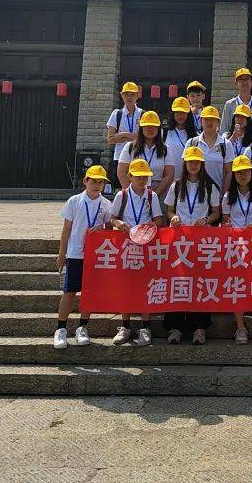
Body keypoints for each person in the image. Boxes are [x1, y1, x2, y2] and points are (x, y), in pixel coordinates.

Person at [163, 146, 220, 345]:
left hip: (200, 242)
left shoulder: (210, 186)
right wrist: (173, 217)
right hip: (179, 242)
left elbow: (216, 212)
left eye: (197, 162)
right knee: (177, 282)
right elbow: (169, 210)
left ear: (202, 164)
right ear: (185, 164)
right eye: (190, 162)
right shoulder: (177, 186)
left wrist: (207, 220)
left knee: (200, 283)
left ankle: (199, 328)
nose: (193, 165)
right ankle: (175, 327)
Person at [107, 158, 166, 346]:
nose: (142, 180)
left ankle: (145, 326)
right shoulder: (122, 195)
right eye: (138, 176)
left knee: (146, 285)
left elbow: (159, 220)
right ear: (130, 176)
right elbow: (112, 218)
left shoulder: (152, 195)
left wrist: (148, 227)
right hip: (127, 246)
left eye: (145, 176)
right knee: (126, 285)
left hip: (146, 244)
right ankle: (125, 325)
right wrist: (119, 224)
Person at [53, 164, 111, 349]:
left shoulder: (106, 204)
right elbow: (66, 229)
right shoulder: (74, 201)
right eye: (94, 181)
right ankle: (61, 329)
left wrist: (101, 229)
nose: (97, 185)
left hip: (95, 255)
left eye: (101, 182)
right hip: (75, 253)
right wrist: (62, 253)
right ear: (85, 181)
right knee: (69, 291)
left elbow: (109, 228)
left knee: (89, 292)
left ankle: (82, 327)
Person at [221, 154, 252, 345]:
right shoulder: (228, 196)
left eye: (246, 172)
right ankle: (240, 326)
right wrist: (227, 226)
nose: (243, 176)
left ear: (251, 173)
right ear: (234, 175)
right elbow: (225, 221)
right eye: (239, 173)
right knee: (237, 284)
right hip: (235, 246)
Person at [117, 110, 176, 198]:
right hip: (133, 192)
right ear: (141, 128)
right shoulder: (130, 147)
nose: (150, 129)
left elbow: (169, 175)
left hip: (158, 192)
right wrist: (132, 194)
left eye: (154, 126)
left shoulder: (166, 149)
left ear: (159, 128)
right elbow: (121, 173)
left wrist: (154, 195)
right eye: (147, 126)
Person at [185, 105, 234, 195]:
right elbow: (185, 169)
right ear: (201, 121)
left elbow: (228, 173)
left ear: (218, 122)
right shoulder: (192, 143)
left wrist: (223, 195)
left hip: (217, 193)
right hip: (194, 195)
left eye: (213, 120)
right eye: (206, 119)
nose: (209, 122)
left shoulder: (226, 144)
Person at [105, 81, 143, 193]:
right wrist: (132, 136)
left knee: (139, 189)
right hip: (120, 157)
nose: (129, 97)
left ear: (137, 96)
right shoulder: (116, 114)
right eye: (126, 94)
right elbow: (110, 139)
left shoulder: (143, 114)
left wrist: (122, 135)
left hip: (138, 156)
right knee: (120, 191)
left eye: (132, 94)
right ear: (121, 95)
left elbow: (143, 137)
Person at [165, 97, 197, 176]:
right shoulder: (164, 132)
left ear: (188, 114)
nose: (180, 116)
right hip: (166, 177)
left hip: (186, 177)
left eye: (183, 113)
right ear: (173, 114)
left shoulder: (194, 135)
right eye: (177, 113)